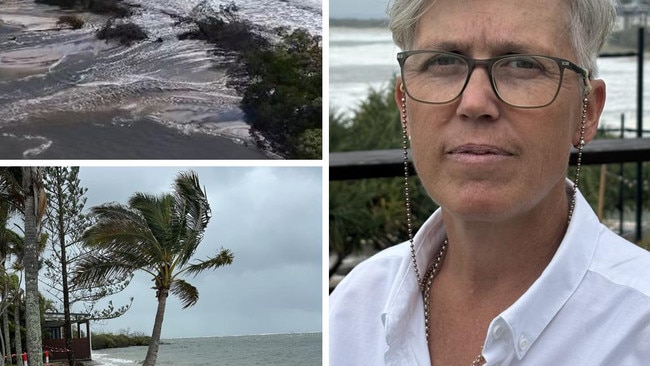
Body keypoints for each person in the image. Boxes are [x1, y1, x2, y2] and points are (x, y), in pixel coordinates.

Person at [329, 0, 650, 365]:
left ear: (586, 112)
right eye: (443, 61)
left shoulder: (638, 329)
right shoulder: (354, 308)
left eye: (522, 64)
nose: (475, 101)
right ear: (405, 106)